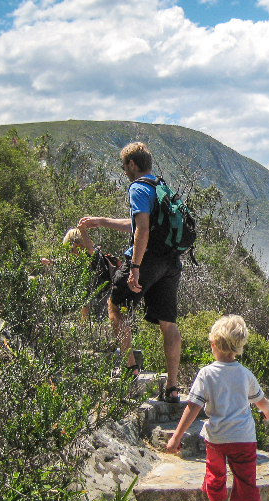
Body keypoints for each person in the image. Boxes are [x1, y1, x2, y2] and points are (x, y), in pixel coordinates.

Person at [165, 315, 269, 501]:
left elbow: (193, 407)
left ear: (213, 343)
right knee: (247, 483)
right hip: (245, 438)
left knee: (215, 475)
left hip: (217, 439)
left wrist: (176, 437)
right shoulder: (246, 375)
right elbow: (262, 403)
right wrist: (268, 414)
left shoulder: (206, 374)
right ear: (239, 346)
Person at [78, 142, 182, 399]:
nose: (124, 171)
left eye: (124, 166)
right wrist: (101, 221)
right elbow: (136, 224)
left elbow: (142, 231)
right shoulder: (160, 187)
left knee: (115, 306)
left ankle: (131, 371)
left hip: (145, 260)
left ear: (131, 164)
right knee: (168, 324)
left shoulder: (137, 187)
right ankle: (172, 386)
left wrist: (134, 267)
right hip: (170, 261)